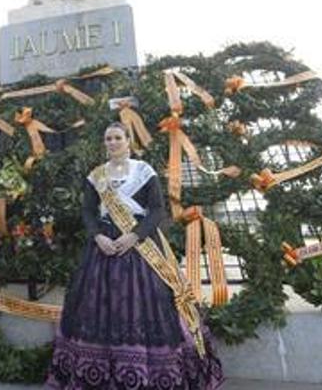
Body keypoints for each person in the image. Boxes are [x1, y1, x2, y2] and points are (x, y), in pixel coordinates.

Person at [45, 122, 223, 389]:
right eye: (108, 139)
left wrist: (134, 235)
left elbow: (157, 211)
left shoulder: (144, 172)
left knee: (153, 302)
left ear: (128, 141)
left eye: (118, 137)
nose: (113, 142)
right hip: (103, 248)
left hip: (141, 247)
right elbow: (88, 212)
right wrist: (98, 236)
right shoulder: (97, 176)